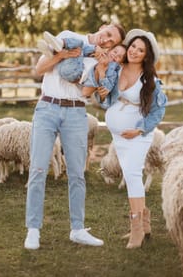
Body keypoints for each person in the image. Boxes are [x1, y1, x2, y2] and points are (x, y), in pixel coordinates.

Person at [24, 23, 126, 250]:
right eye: (107, 34)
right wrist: (63, 54)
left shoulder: (102, 61)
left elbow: (86, 92)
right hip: (47, 107)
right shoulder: (68, 36)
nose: (106, 41)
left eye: (112, 42)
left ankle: (78, 229)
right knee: (38, 168)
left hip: (77, 112)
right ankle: (33, 230)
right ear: (101, 27)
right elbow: (40, 68)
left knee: (77, 173)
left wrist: (99, 69)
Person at [96, 29, 167, 249]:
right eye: (133, 47)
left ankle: (136, 229)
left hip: (137, 134)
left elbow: (158, 111)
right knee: (130, 174)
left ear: (146, 55)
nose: (135, 51)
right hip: (118, 134)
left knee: (133, 176)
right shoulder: (116, 70)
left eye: (141, 50)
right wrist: (104, 97)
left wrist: (140, 130)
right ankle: (144, 227)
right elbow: (107, 102)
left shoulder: (150, 80)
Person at [38, 34, 127, 97]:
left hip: (75, 74)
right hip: (64, 66)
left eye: (119, 57)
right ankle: (54, 48)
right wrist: (94, 50)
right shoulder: (98, 55)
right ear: (109, 50)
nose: (115, 55)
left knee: (79, 45)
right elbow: (82, 52)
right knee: (79, 46)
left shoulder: (111, 70)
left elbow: (101, 88)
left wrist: (102, 70)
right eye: (115, 52)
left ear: (120, 63)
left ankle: (57, 47)